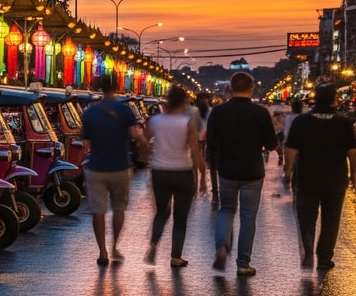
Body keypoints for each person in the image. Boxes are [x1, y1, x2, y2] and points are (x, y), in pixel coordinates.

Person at [206, 72, 278, 276]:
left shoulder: (218, 112)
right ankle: (243, 263)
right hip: (253, 171)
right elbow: (272, 144)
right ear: (251, 88)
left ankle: (221, 247)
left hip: (227, 169)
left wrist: (213, 164)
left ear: (230, 87)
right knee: (248, 217)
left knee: (226, 209)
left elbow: (211, 143)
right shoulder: (260, 112)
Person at [281, 83, 356, 270]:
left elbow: (290, 149)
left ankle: (307, 237)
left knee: (306, 214)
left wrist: (288, 171)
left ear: (314, 98)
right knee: (331, 219)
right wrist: (354, 175)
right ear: (334, 99)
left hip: (307, 176)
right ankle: (324, 257)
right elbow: (352, 152)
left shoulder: (302, 121)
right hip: (335, 179)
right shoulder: (344, 122)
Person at [80, 74, 148, 265]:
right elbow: (134, 135)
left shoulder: (89, 113)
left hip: (96, 168)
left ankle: (102, 251)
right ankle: (115, 245)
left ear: (100, 88)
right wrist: (143, 139)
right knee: (119, 207)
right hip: (120, 166)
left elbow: (86, 144)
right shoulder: (125, 110)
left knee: (98, 211)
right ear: (117, 87)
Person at [145, 88, 206, 267]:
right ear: (185, 102)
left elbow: (143, 140)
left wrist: (150, 153)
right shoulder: (187, 122)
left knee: (161, 212)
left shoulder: (155, 120)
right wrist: (202, 176)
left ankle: (154, 245)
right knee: (180, 217)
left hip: (160, 172)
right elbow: (195, 151)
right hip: (182, 172)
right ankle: (175, 257)